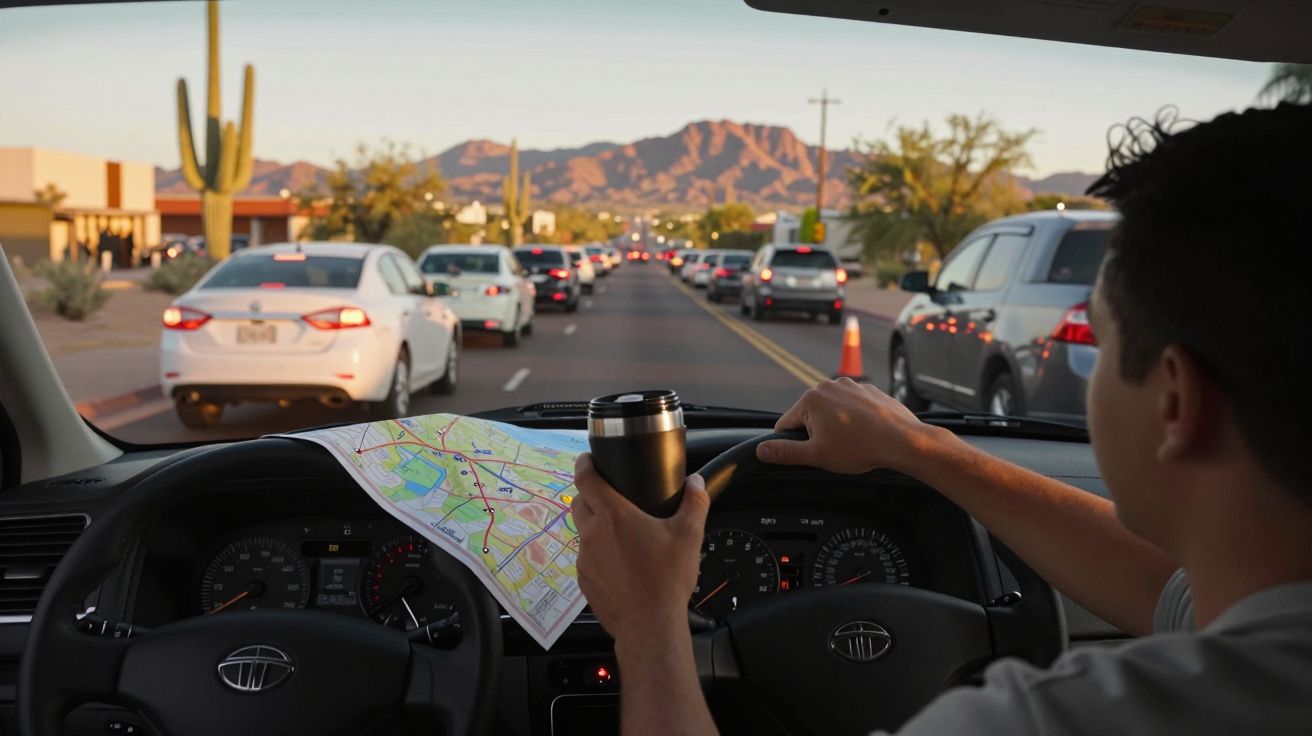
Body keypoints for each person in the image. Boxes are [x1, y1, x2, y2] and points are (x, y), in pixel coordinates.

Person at [569, 103, 1312, 735]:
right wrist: (922, 447)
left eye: (1103, 340)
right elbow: (1164, 591)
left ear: (1175, 402)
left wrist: (647, 624)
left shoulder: (1053, 718)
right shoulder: (1265, 621)